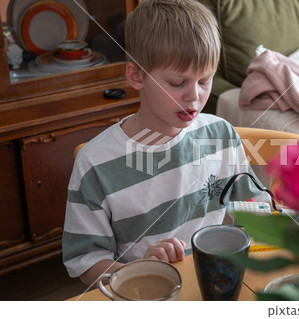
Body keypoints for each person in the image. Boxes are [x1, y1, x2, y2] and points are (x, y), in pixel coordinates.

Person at [62, 0, 269, 286]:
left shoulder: (221, 134)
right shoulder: (95, 163)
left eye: (205, 81)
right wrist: (142, 268)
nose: (194, 96)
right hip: (147, 293)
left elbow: (253, 204)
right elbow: (85, 262)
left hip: (211, 284)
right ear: (137, 76)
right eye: (176, 83)